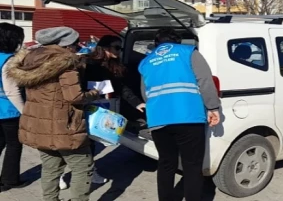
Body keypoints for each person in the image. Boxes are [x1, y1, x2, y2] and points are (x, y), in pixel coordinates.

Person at [6, 27, 99, 201]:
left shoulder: (29, 61)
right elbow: (75, 96)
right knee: (83, 167)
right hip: (65, 126)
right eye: (75, 43)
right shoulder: (66, 64)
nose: (77, 47)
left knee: (50, 168)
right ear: (66, 44)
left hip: (40, 126)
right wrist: (94, 93)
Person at [137, 27, 221, 201]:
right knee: (192, 166)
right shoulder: (188, 52)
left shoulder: (146, 62)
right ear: (177, 41)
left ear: (156, 43)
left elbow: (145, 94)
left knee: (166, 164)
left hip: (158, 119)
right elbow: (205, 81)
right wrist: (213, 107)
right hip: (188, 116)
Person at [59, 34, 144, 188]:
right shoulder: (87, 62)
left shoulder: (115, 66)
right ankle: (61, 173)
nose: (119, 51)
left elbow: (122, 88)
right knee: (77, 142)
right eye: (116, 47)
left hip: (104, 107)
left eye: (121, 48)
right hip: (84, 105)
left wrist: (137, 103)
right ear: (105, 47)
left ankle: (91, 172)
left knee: (92, 142)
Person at [0, 23, 27, 192]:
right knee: (14, 145)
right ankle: (10, 180)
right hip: (9, 111)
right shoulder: (9, 60)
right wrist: (25, 112)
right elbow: (12, 90)